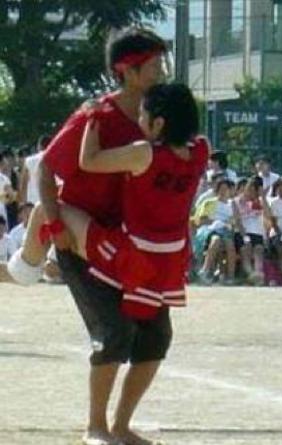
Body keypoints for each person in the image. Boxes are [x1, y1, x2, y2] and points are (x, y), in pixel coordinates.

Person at [10, 28, 170, 445]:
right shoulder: (93, 116)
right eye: (155, 64)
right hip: (81, 240)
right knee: (116, 331)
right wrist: (59, 228)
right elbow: (46, 169)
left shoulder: (160, 115)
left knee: (156, 334)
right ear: (129, 71)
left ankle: (121, 426)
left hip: (131, 243)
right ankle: (95, 427)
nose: (162, 70)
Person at [192, 179, 237, 285]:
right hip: (209, 230)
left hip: (226, 231)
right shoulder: (210, 202)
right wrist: (217, 222)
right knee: (216, 240)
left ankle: (230, 277)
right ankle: (204, 270)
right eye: (221, 189)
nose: (223, 191)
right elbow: (202, 221)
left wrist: (228, 224)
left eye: (226, 189)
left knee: (229, 244)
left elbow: (235, 221)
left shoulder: (232, 205)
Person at [234, 176, 266, 284]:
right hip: (242, 232)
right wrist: (245, 237)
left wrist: (263, 197)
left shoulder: (259, 202)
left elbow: (269, 215)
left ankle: (257, 273)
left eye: (254, 189)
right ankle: (251, 273)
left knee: (258, 249)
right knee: (245, 250)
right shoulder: (236, 201)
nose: (250, 191)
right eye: (249, 188)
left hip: (257, 233)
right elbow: (237, 221)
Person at [19, 135, 51, 204]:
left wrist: (22, 203)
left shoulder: (29, 160)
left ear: (39, 146)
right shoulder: (57, 159)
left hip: (33, 203)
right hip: (52, 203)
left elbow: (23, 184)